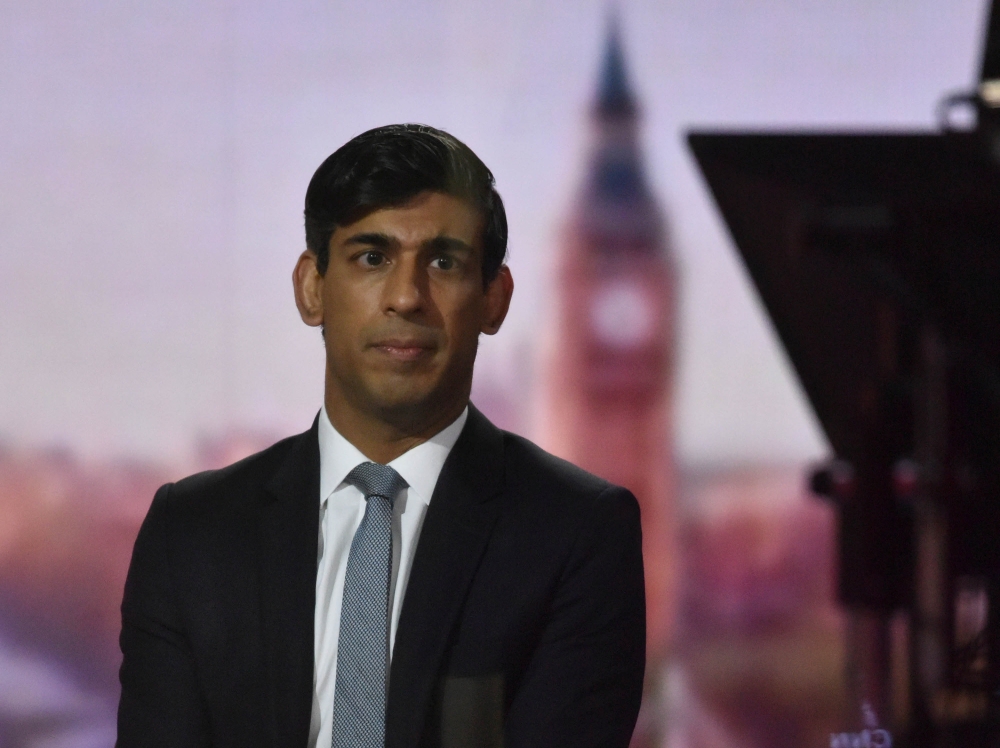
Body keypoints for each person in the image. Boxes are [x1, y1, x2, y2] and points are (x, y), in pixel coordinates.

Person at [116, 124, 645, 748]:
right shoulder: (193, 532)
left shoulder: (576, 534)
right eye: (372, 258)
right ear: (312, 288)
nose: (405, 297)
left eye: (444, 262)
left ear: (494, 299)